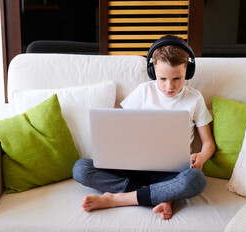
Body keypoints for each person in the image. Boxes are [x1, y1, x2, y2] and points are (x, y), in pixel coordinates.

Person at [72, 35, 216, 220]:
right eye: (162, 78)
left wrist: (201, 157)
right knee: (81, 168)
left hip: (171, 174)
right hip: (133, 168)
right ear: (152, 69)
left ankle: (118, 199)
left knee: (195, 180)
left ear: (188, 70)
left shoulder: (195, 98)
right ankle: (161, 196)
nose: (169, 86)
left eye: (177, 78)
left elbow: (208, 143)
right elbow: (119, 128)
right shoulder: (143, 92)